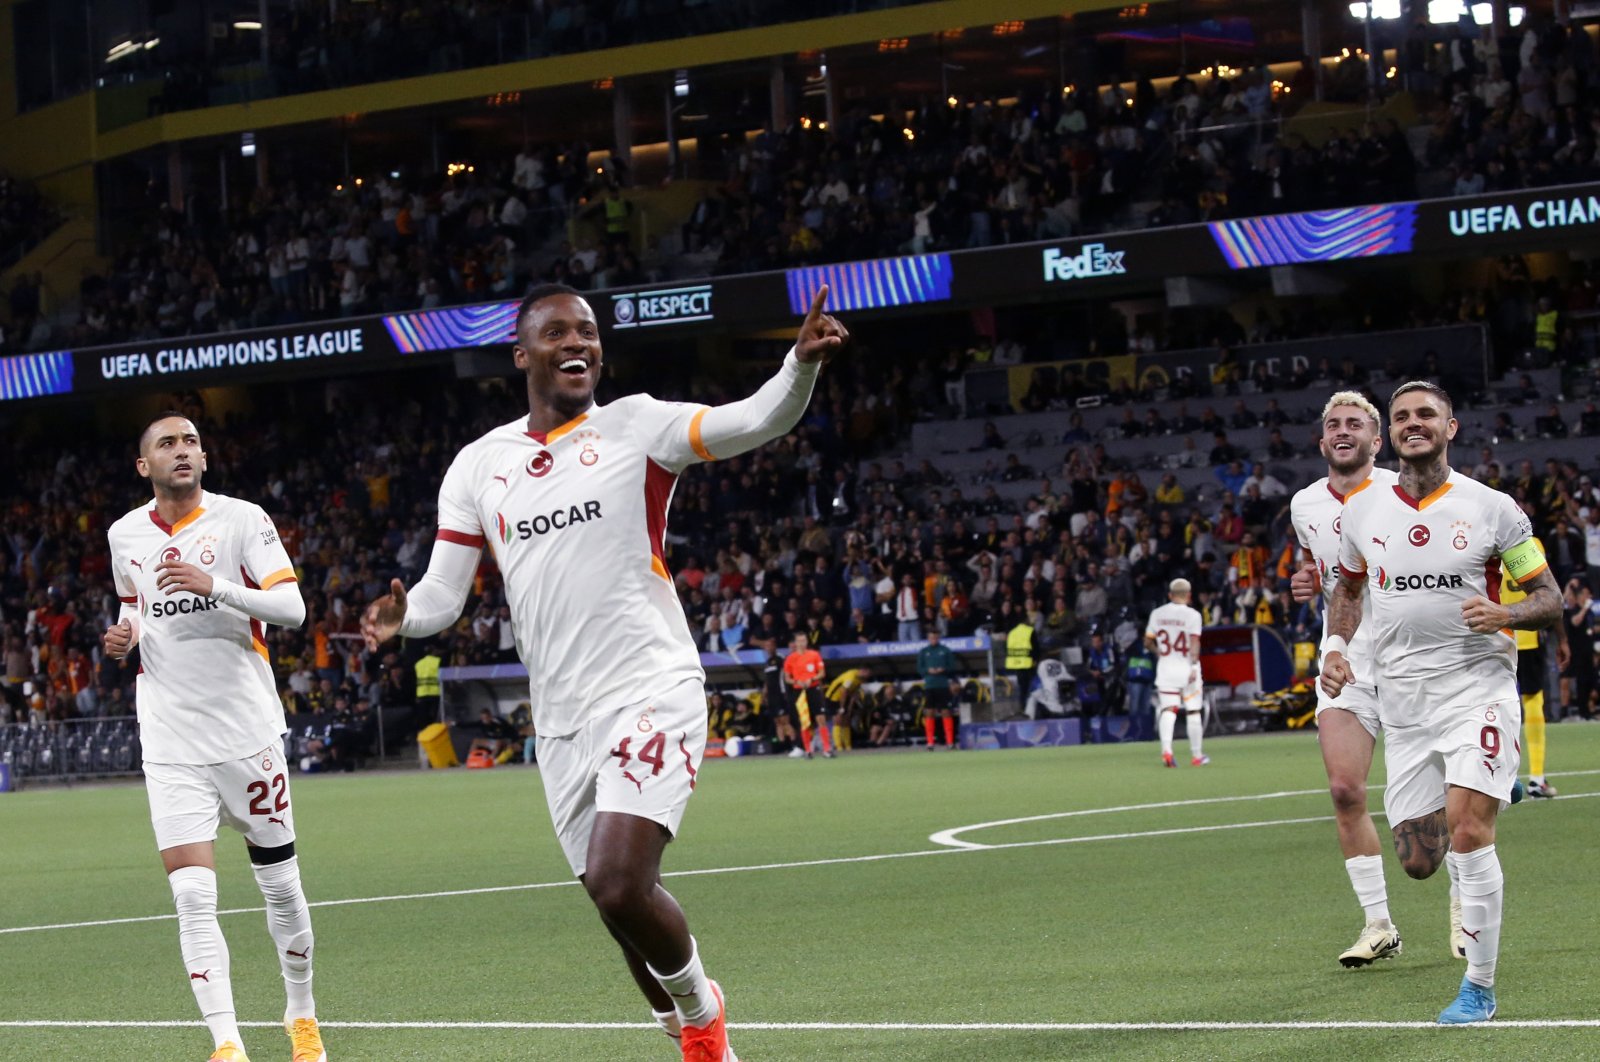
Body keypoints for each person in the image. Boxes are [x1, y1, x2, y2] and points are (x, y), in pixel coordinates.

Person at [362, 281, 846, 1061]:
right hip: (560, 719)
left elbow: (752, 420)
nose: (578, 343)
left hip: (651, 686)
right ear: (523, 355)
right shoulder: (479, 466)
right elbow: (443, 594)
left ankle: (702, 1024)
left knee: (621, 879)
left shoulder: (637, 427)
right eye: (557, 333)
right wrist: (403, 618)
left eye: (587, 332)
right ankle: (684, 1018)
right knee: (610, 898)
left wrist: (799, 366)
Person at [1322, 380, 1563, 1024]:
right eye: (1401, 416)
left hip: (1475, 688)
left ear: (1451, 427)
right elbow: (1345, 589)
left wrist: (1505, 611)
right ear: (1390, 433)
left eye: (1426, 414)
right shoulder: (1363, 513)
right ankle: (1486, 782)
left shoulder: (1494, 509)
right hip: (1404, 703)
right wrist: (1335, 646)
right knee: (1421, 861)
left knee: (1468, 832)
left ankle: (1479, 988)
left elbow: (1551, 599)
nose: (1412, 423)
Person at [103, 412, 326, 1062]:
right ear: (144, 465)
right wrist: (125, 635)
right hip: (170, 739)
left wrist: (219, 587)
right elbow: (133, 605)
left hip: (246, 734)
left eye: (192, 442)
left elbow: (293, 609)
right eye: (168, 444)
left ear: (204, 458)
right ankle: (227, 1043)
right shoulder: (124, 535)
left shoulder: (242, 520)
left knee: (280, 886)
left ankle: (301, 1016)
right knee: (193, 896)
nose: (183, 451)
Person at [1289, 390, 1411, 968]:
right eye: (1334, 424)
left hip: (1412, 656)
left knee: (1433, 812)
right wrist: (1307, 583)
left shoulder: (1400, 490)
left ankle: (1466, 902)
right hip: (1344, 659)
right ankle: (1378, 923)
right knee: (1344, 790)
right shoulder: (1304, 504)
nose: (1344, 431)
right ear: (1322, 442)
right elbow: (1323, 569)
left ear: (1375, 439)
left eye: (1355, 424)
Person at [1500, 540, 1570, 798]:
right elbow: (1549, 593)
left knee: (1496, 705)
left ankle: (1500, 776)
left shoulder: (1479, 540)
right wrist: (1562, 638)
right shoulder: (1530, 543)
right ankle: (1537, 779)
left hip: (1493, 635)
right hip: (1527, 635)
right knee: (1532, 701)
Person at [1146, 578, 1205, 767]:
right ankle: (1196, 756)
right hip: (1187, 667)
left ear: (1170, 595)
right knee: (1193, 710)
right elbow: (1195, 642)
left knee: (1168, 710)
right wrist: (1194, 666)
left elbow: (1148, 641)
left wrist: (1160, 652)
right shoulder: (1193, 615)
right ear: (1189, 595)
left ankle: (1167, 753)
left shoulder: (1157, 614)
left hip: (1166, 667)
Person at [782, 631, 829, 759]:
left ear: (807, 642)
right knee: (804, 722)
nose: (802, 643)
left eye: (804, 641)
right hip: (799, 691)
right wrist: (797, 681)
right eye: (799, 641)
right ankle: (808, 750)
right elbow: (787, 678)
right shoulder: (790, 658)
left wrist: (812, 679)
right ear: (795, 643)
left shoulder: (814, 655)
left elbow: (822, 673)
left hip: (814, 689)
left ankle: (827, 749)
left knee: (821, 719)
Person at [916, 630, 960, 749]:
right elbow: (919, 668)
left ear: (939, 637)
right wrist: (927, 671)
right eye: (931, 638)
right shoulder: (924, 652)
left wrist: (943, 669)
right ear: (928, 638)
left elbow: (952, 666)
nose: (933, 640)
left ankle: (950, 742)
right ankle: (930, 742)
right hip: (930, 685)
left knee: (946, 712)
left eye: (935, 637)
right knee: (930, 712)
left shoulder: (945, 650)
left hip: (943, 685)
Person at [821, 664, 870, 752]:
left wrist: (850, 706)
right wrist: (842, 707)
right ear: (863, 671)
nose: (869, 676)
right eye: (868, 673)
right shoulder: (850, 677)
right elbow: (844, 692)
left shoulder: (860, 679)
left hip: (845, 699)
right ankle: (838, 746)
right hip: (833, 698)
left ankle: (847, 745)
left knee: (846, 721)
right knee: (838, 720)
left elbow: (854, 693)